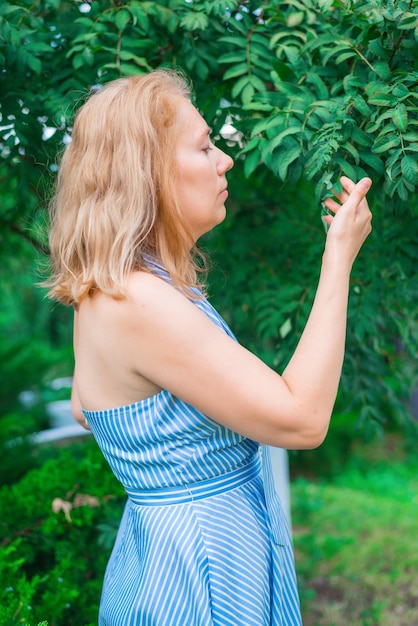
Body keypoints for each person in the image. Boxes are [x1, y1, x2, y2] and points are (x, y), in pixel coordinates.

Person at [46, 69, 372, 625]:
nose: (224, 160)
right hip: (201, 567)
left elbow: (87, 404)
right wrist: (337, 258)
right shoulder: (139, 299)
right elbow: (302, 420)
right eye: (204, 147)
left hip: (175, 546)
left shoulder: (113, 287)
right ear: (145, 172)